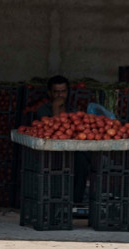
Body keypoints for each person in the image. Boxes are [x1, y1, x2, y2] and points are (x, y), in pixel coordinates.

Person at [37, 75, 89, 204]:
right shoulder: (43, 110)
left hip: (71, 152)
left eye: (63, 91)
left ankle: (76, 202)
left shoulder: (73, 111)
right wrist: (55, 108)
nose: (60, 95)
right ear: (50, 93)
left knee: (82, 161)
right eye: (56, 92)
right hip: (50, 153)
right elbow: (54, 132)